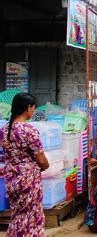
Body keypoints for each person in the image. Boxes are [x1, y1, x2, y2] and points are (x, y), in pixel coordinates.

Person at [0, 93, 49, 236]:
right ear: (28, 108)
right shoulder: (29, 131)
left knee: (17, 214)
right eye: (33, 107)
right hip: (28, 180)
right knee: (32, 216)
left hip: (11, 178)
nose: (33, 110)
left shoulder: (4, 130)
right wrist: (45, 166)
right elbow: (41, 160)